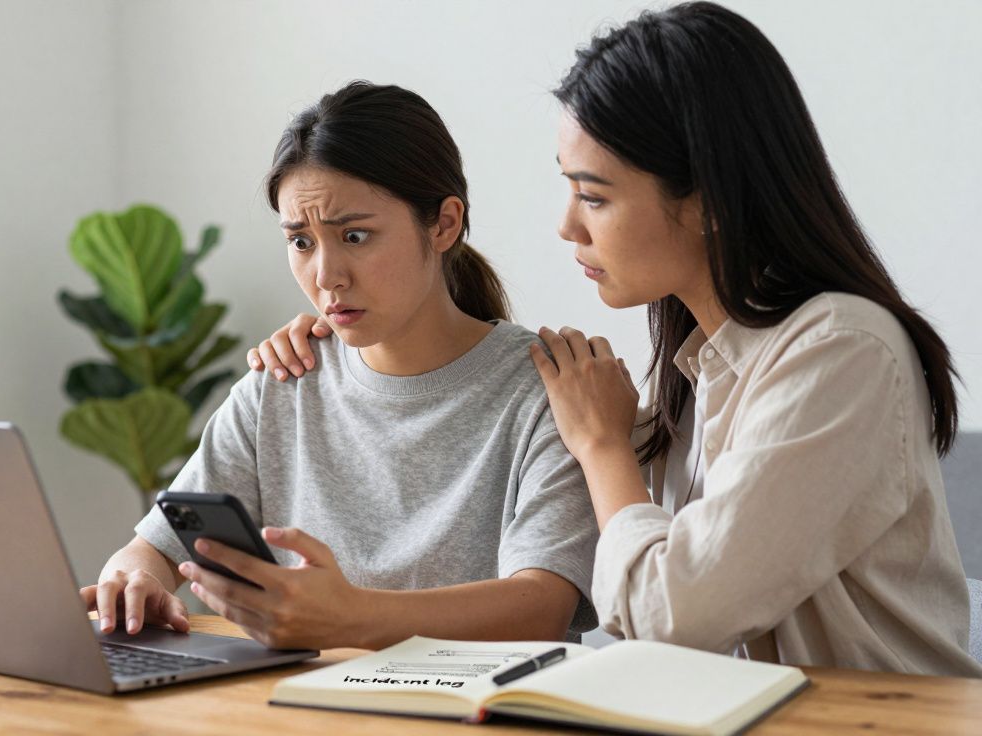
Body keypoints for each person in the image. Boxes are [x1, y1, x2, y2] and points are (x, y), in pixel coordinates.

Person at [249, 3, 980, 676]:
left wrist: (602, 446)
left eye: (594, 196)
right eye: (569, 190)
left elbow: (672, 617)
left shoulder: (842, 352)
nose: (568, 225)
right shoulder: (694, 373)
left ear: (708, 200)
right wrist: (346, 336)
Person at [81, 82, 598, 651]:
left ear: (444, 224)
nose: (327, 276)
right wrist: (134, 580)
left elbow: (542, 609)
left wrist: (352, 616)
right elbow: (154, 547)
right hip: (297, 697)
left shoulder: (551, 390)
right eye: (301, 242)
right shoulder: (282, 382)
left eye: (355, 236)